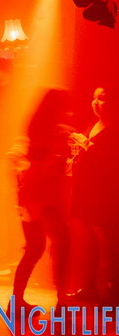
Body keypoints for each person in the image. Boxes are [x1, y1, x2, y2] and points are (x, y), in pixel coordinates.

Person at [10, 89, 72, 308]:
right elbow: (47, 169)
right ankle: (61, 299)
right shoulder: (53, 133)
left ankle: (17, 300)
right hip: (43, 195)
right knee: (61, 243)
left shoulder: (36, 130)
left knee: (35, 247)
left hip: (29, 193)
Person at [71, 86, 119, 304]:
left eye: (102, 98)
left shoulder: (115, 128)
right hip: (86, 193)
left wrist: (87, 146)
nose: (96, 103)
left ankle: (111, 293)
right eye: (94, 98)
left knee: (107, 245)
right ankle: (89, 288)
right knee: (89, 244)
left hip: (104, 196)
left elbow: (109, 163)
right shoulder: (93, 124)